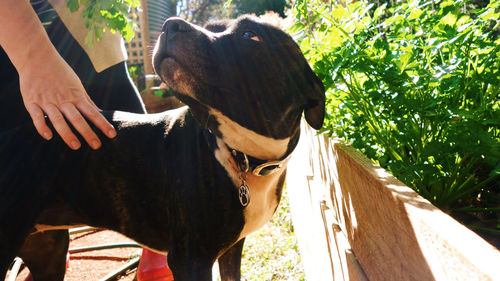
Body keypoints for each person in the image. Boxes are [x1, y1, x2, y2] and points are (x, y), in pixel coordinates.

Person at [0, 1, 171, 280]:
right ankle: (46, 245)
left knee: (107, 95)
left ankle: (159, 249)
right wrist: (33, 56)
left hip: (82, 23)